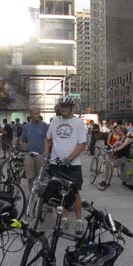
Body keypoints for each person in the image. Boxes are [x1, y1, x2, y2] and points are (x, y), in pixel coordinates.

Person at [44, 95, 87, 235]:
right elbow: (48, 139)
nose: (64, 109)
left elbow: (82, 143)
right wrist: (46, 154)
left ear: (71, 108)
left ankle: (79, 221)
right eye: (62, 106)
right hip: (56, 164)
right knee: (60, 193)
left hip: (73, 164)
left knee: (74, 193)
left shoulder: (78, 123)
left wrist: (70, 158)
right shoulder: (55, 121)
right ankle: (64, 218)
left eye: (66, 106)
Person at [21, 106, 49, 192]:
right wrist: (26, 148)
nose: (37, 115)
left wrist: (45, 152)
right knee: (30, 177)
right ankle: (31, 194)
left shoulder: (44, 126)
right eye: (35, 113)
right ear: (31, 115)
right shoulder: (27, 127)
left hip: (41, 155)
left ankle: (40, 196)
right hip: (29, 155)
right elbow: (23, 140)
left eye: (38, 113)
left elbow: (48, 140)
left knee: (41, 177)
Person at [99, 125, 131, 190]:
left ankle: (107, 182)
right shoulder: (119, 138)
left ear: (123, 132)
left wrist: (115, 149)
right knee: (108, 165)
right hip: (118, 156)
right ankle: (106, 181)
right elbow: (115, 144)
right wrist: (111, 148)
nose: (118, 131)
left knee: (110, 165)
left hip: (124, 157)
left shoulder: (127, 139)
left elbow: (122, 146)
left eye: (119, 130)